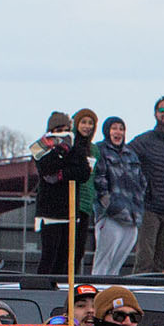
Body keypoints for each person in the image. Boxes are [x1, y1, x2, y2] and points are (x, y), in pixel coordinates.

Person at [130, 96, 164, 272]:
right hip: (149, 206)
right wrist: (141, 188)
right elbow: (125, 157)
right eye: (162, 110)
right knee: (145, 259)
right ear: (155, 113)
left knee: (161, 261)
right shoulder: (144, 140)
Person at [34, 112, 91, 275]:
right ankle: (43, 287)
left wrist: (62, 174)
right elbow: (46, 168)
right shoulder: (41, 146)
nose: (64, 133)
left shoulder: (76, 146)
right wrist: (60, 153)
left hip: (70, 210)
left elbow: (83, 172)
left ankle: (62, 287)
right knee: (49, 255)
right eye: (59, 129)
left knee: (66, 256)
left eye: (66, 129)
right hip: (49, 211)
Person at [92, 116, 147, 276]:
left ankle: (110, 292)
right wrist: (109, 204)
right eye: (114, 128)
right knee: (103, 262)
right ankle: (97, 293)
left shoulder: (131, 154)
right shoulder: (100, 150)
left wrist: (138, 204)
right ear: (107, 131)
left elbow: (141, 181)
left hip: (132, 217)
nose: (118, 132)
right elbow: (99, 180)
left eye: (121, 129)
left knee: (117, 265)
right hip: (110, 216)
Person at [70, 109, 99, 271]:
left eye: (90, 123)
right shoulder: (71, 145)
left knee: (79, 248)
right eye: (83, 122)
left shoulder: (94, 150)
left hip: (87, 203)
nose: (87, 126)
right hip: (72, 201)